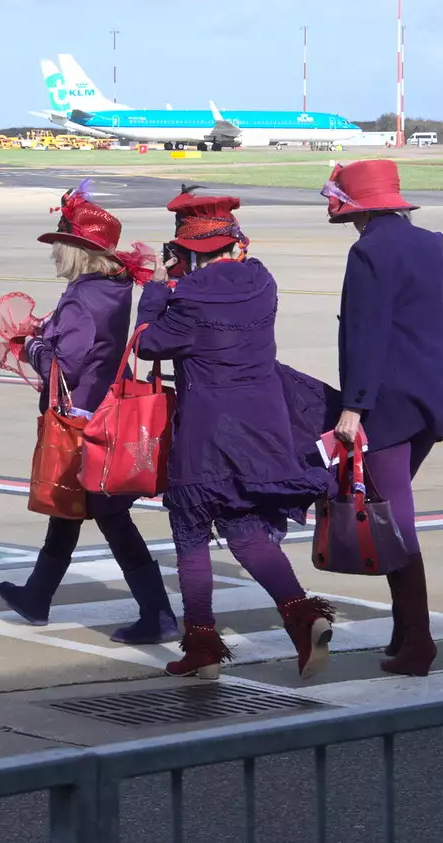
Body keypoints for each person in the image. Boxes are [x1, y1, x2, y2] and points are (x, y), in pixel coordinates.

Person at [136, 189, 338, 680]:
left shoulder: (185, 300)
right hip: (264, 428)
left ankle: (202, 645)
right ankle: (301, 614)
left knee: (190, 536)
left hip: (208, 430)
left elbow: (146, 344)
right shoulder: (263, 283)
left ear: (184, 252)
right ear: (235, 243)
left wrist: (158, 289)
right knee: (246, 530)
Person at [0, 182, 180, 646]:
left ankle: (157, 614)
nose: (54, 255)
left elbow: (68, 364)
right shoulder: (112, 289)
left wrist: (30, 342)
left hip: (83, 421)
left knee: (108, 516)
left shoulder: (83, 296)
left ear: (79, 251)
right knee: (70, 510)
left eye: (60, 246)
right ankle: (37, 596)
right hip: (102, 416)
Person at [323, 160, 443, 677]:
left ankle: (419, 641)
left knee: (392, 523)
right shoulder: (432, 245)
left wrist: (354, 407)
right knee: (387, 514)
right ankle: (405, 633)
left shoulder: (369, 251)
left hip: (388, 404)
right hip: (430, 398)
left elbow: (367, 332)